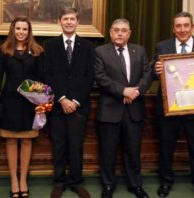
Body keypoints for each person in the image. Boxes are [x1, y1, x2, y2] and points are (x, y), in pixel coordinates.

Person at [94, 18, 153, 198]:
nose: (120, 33)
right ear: (111, 32)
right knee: (108, 151)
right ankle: (108, 185)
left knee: (133, 151)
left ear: (129, 33)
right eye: (116, 30)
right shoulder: (100, 51)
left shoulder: (140, 50)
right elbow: (100, 77)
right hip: (110, 110)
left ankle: (135, 185)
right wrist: (123, 92)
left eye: (124, 30)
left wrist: (135, 92)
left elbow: (147, 75)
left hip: (134, 109)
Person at [0, 16, 43, 198]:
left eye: (24, 29)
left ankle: (23, 180)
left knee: (27, 140)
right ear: (13, 30)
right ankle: (13, 180)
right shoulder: (4, 51)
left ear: (29, 32)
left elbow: (41, 80)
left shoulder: (37, 52)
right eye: (18, 28)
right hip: (9, 102)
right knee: (11, 140)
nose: (21, 32)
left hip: (30, 104)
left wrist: (42, 103)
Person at [43, 7, 94, 198]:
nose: (69, 22)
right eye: (65, 19)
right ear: (59, 22)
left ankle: (76, 182)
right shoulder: (50, 45)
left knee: (76, 146)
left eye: (72, 19)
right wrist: (62, 99)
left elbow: (90, 76)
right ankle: (58, 182)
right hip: (57, 106)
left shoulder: (88, 46)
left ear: (77, 22)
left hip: (79, 107)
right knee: (59, 146)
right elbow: (47, 74)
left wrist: (75, 101)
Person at [153, 12, 194, 197]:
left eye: (186, 25)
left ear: (192, 27)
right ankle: (166, 181)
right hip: (170, 107)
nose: (182, 29)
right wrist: (156, 69)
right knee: (166, 146)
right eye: (178, 26)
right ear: (173, 28)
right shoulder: (163, 46)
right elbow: (154, 72)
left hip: (193, 108)